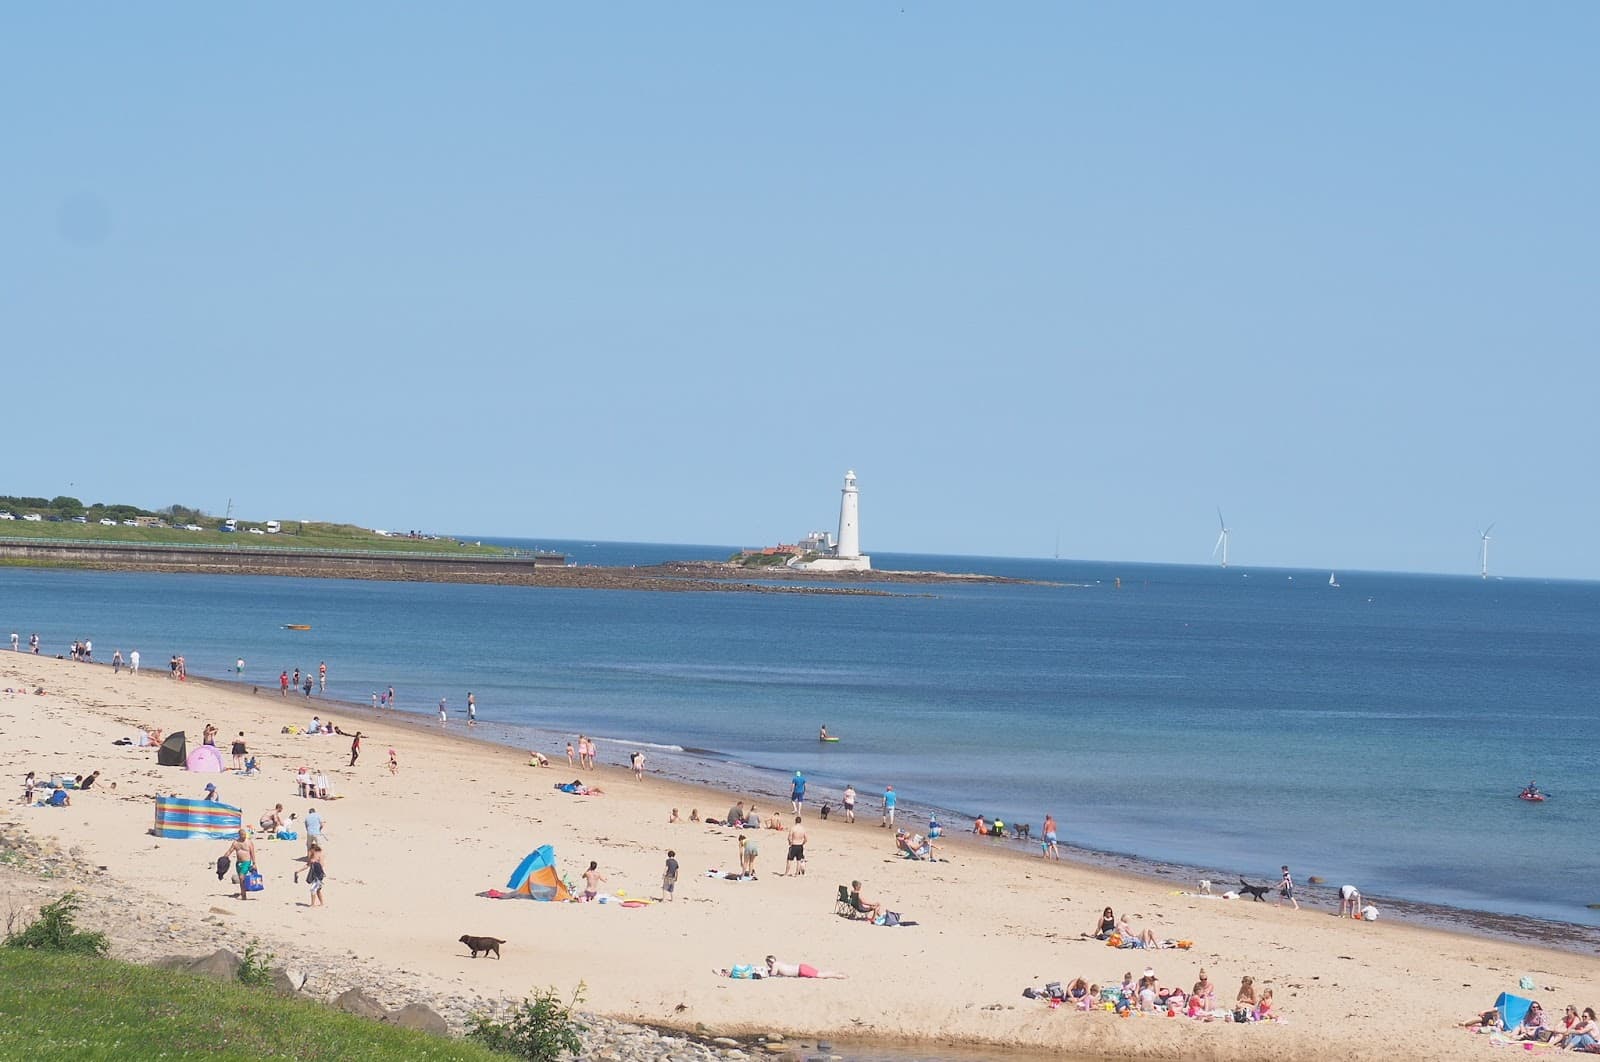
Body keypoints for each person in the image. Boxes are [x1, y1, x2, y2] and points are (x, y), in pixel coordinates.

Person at [225, 830, 256, 901]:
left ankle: (244, 894)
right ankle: (243, 894)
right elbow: (230, 851)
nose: (244, 836)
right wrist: (224, 858)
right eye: (242, 835)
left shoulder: (249, 842)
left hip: (246, 862)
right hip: (238, 863)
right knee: (241, 879)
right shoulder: (235, 843)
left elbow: (252, 853)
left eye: (245, 835)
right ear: (239, 835)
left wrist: (254, 863)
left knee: (242, 877)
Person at [765, 956, 847, 979]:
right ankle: (838, 973)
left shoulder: (775, 964)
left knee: (820, 975)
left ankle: (839, 976)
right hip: (801, 968)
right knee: (820, 973)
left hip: (801, 970)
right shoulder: (779, 963)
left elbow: (772, 974)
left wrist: (767, 972)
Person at [306, 841, 326, 906]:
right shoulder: (315, 855)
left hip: (318, 875)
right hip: (316, 875)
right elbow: (307, 865)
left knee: (313, 889)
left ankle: (312, 904)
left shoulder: (318, 855)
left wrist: (319, 875)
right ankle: (322, 903)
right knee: (318, 890)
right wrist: (298, 871)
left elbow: (321, 865)